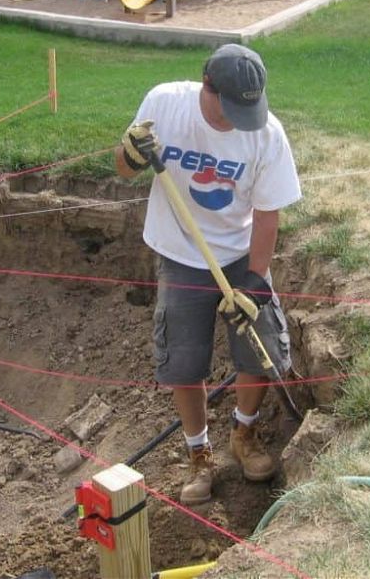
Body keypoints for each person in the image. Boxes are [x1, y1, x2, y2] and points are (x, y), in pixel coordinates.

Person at [115, 43, 302, 506]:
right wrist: (132, 155)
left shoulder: (267, 134)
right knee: (185, 361)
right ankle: (199, 455)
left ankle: (244, 434)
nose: (241, 119)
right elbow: (121, 170)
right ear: (207, 87)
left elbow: (267, 214)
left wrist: (255, 283)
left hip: (239, 253)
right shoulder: (163, 105)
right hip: (181, 252)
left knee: (257, 348)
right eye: (232, 108)